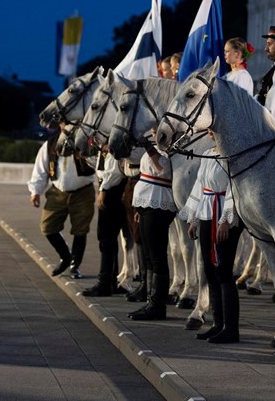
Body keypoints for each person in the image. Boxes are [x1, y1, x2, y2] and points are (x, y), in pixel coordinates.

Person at [180, 131, 243, 343]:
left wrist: (226, 219)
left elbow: (234, 188)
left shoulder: (231, 156)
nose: (210, 133)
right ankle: (217, 323)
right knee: (209, 269)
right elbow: (199, 186)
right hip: (207, 212)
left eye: (214, 130)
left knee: (224, 270)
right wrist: (194, 219)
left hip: (223, 215)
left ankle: (231, 328)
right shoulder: (208, 154)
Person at [28, 127, 96, 279]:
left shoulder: (87, 141)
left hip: (82, 191)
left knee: (80, 229)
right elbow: (41, 168)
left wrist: (83, 152)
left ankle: (75, 265)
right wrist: (35, 191)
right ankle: (65, 256)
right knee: (47, 226)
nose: (69, 127)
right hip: (58, 191)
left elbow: (98, 163)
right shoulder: (50, 144)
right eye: (65, 123)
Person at [128, 138, 177, 320]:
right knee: (148, 255)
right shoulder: (156, 146)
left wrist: (149, 149)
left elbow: (163, 169)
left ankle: (158, 305)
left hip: (158, 203)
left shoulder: (170, 147)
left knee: (157, 256)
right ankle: (150, 300)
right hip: (146, 203)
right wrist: (139, 208)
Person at [82, 146, 129, 297]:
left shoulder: (114, 147)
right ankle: (110, 281)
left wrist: (103, 190)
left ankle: (105, 284)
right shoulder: (104, 148)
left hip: (112, 191)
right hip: (109, 188)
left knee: (106, 238)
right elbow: (101, 167)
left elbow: (114, 172)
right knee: (109, 240)